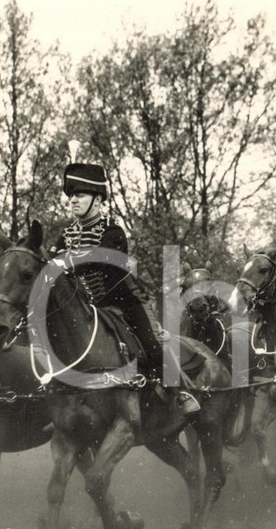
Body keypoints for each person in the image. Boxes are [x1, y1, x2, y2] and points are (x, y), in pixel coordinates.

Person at [50, 162, 200, 414]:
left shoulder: (112, 231)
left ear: (97, 200)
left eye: (80, 195)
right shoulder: (66, 235)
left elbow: (99, 259)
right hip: (88, 306)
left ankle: (179, 392)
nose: (73, 200)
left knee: (150, 343)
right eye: (71, 195)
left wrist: (67, 261)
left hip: (124, 301)